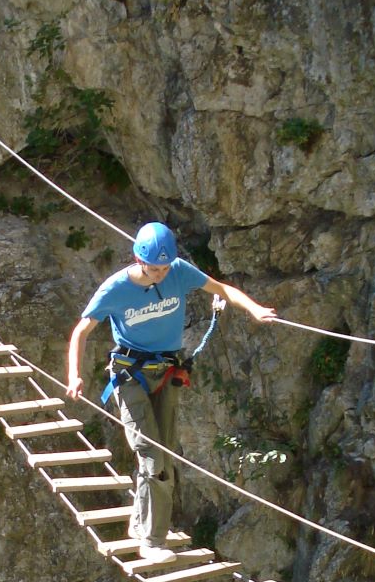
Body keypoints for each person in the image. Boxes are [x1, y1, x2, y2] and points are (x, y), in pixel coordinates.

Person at [66, 222, 276, 564]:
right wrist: (74, 375)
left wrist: (253, 308)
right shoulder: (115, 288)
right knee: (153, 457)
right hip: (130, 376)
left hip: (166, 373)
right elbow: (81, 332)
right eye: (155, 268)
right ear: (138, 259)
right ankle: (151, 540)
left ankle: (141, 526)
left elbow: (220, 288)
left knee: (164, 456)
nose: (161, 274)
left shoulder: (178, 272)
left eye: (165, 267)